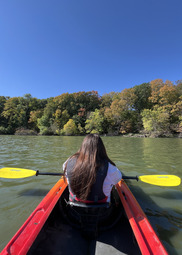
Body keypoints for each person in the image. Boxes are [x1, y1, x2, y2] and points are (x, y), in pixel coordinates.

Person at [63, 134, 122, 204]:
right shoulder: (110, 168)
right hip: (101, 210)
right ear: (101, 149)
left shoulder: (68, 162)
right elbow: (118, 178)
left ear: (83, 147)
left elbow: (66, 174)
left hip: (75, 209)